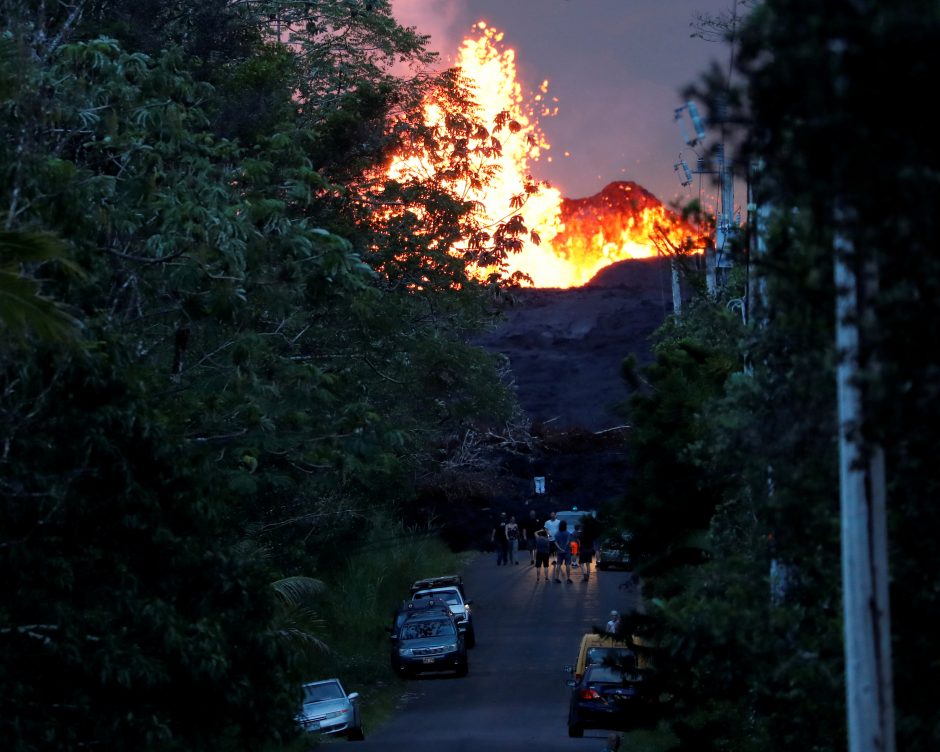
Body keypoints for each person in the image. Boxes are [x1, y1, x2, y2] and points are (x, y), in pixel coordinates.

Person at [553, 519, 573, 583]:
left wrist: (560, 548)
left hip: (559, 552)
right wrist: (565, 548)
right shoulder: (568, 533)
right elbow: (568, 542)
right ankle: (568, 578)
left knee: (558, 564)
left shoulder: (557, 533)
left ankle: (557, 577)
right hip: (567, 551)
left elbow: (555, 542)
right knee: (567, 565)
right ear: (565, 526)